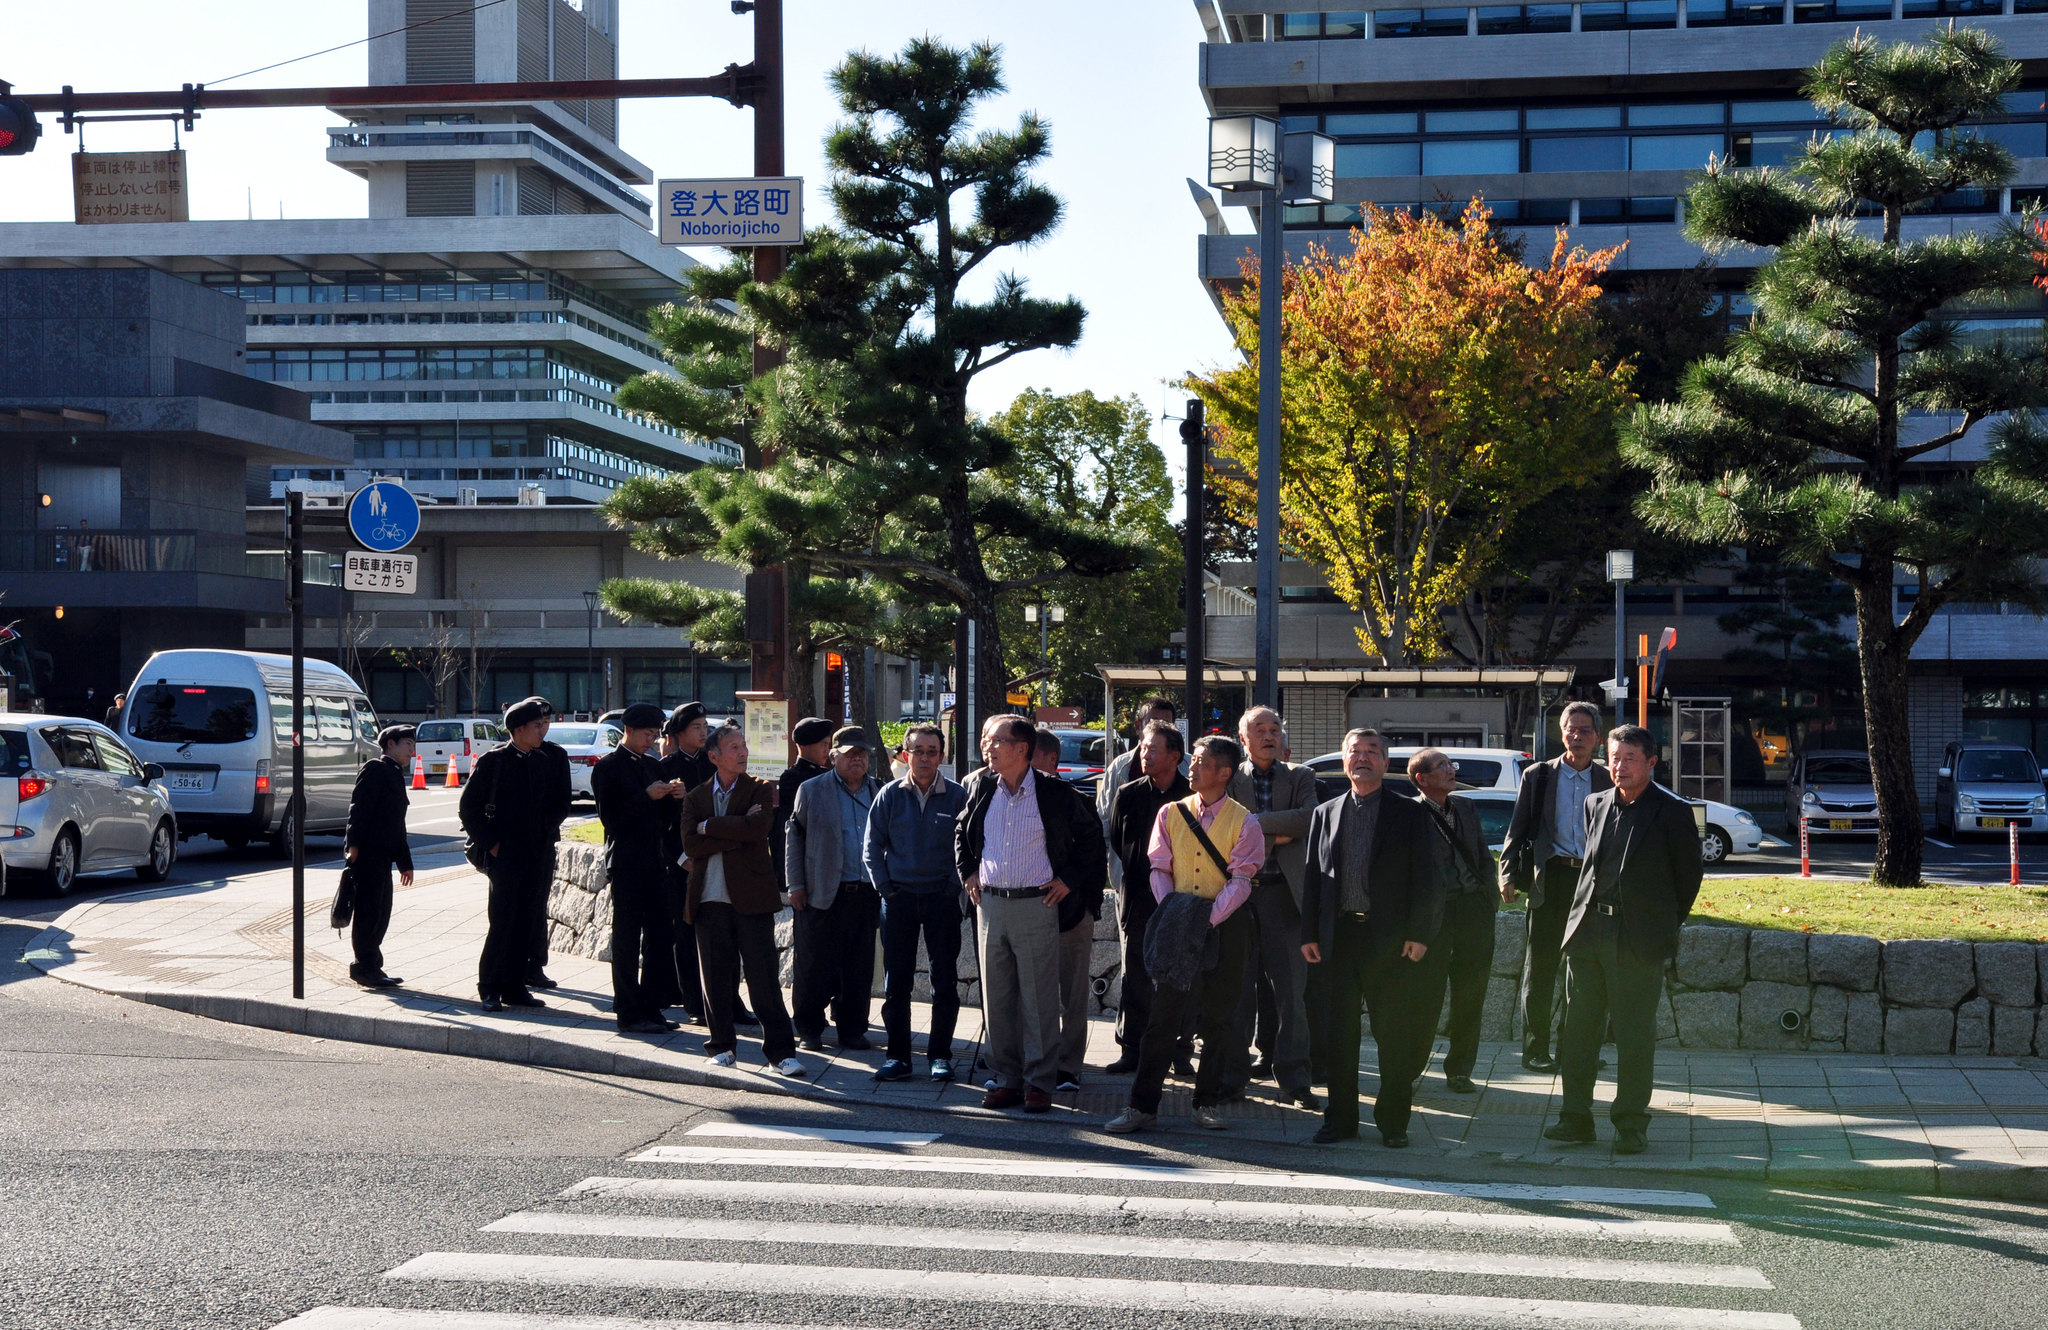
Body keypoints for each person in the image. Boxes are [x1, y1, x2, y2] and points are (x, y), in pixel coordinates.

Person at [1544, 725, 1703, 1155]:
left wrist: (1659, 927)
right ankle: (1575, 1118)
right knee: (1577, 1033)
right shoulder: (1595, 803)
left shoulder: (1672, 812)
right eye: (1613, 757)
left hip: (1637, 940)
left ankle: (1631, 1124)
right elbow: (1589, 869)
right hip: (1589, 933)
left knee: (1634, 1036)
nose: (1619, 766)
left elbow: (1687, 881)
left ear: (1652, 762)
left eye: (1630, 757)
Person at [1105, 735, 1266, 1135]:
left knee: (1220, 1020)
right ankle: (1141, 1106)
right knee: (1163, 1019)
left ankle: (1206, 1101)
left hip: (1225, 928)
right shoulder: (1171, 813)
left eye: (1201, 762)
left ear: (1224, 773)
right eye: (1192, 760)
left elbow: (1242, 880)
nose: (1191, 767)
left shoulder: (1245, 821)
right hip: (1178, 924)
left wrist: (1207, 918)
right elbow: (1158, 867)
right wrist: (1172, 909)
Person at [955, 714, 1106, 1112]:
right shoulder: (983, 786)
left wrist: (1068, 880)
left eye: (995, 740)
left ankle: (1040, 1082)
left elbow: (1091, 836)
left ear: (1022, 749)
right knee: (997, 997)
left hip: (1038, 904)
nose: (987, 746)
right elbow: (961, 832)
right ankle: (1006, 1078)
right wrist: (968, 872)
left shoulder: (1054, 791)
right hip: (991, 905)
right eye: (986, 739)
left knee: (1038, 998)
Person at [1299, 728, 1442, 1148]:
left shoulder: (1411, 813)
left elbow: (1428, 880)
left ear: (1385, 762)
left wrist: (1419, 934)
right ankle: (1340, 1119)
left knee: (1393, 1035)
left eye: (1372, 752)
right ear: (1343, 760)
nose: (1362, 758)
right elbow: (1312, 878)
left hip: (1391, 940)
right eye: (1354, 752)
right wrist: (1310, 931)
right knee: (1337, 1036)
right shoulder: (1325, 812)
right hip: (1338, 937)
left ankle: (1393, 1122)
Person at [683, 723, 806, 1077]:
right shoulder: (696, 797)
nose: (742, 753)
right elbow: (691, 845)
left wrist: (710, 826)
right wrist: (730, 828)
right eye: (733, 747)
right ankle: (721, 1046)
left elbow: (757, 831)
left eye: (743, 746)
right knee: (716, 980)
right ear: (714, 756)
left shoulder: (759, 790)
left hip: (751, 900)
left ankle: (781, 1053)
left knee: (763, 979)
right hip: (708, 899)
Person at [1500, 701, 1613, 1072]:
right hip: (1550, 880)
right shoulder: (1539, 775)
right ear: (1560, 732)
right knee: (1542, 968)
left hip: (1592, 883)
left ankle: (1578, 1050)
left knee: (1587, 972)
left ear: (1597, 736)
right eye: (1570, 729)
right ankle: (1535, 1049)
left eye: (1584, 730)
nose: (1576, 736)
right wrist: (1506, 874)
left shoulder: (1608, 778)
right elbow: (1517, 829)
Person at [1225, 705, 1323, 1111]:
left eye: (1275, 728)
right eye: (1259, 729)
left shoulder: (1301, 776)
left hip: (1285, 895)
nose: (1269, 735)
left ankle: (1295, 1078)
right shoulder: (1229, 777)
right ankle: (1232, 1076)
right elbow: (1223, 827)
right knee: (1237, 993)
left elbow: (1309, 818)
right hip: (1240, 895)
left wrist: (1253, 827)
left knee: (1291, 995)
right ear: (1243, 739)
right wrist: (1274, 833)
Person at [866, 722, 969, 1082]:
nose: (925, 758)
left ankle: (940, 1054)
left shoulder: (958, 797)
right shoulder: (889, 795)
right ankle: (898, 1057)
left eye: (932, 751)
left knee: (945, 981)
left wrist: (951, 888)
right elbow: (872, 848)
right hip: (899, 900)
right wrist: (886, 889)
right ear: (906, 755)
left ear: (942, 756)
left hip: (942, 899)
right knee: (897, 984)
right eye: (918, 751)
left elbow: (968, 849)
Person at [462, 696, 572, 1012]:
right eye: (538, 725)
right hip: (505, 854)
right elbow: (469, 808)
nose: (544, 730)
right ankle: (490, 988)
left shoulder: (546, 760)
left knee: (528, 918)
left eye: (545, 724)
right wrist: (492, 844)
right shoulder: (494, 761)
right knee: (503, 921)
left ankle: (515, 986)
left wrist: (541, 833)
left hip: (538, 851)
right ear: (519, 729)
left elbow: (561, 803)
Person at [786, 725, 884, 1052]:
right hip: (822, 892)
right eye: (850, 753)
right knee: (814, 964)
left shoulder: (880, 791)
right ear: (833, 756)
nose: (857, 759)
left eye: (862, 754)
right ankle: (809, 1028)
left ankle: (852, 1029)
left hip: (866, 892)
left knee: (858, 967)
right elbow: (794, 837)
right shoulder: (812, 789)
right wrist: (796, 885)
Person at [1408, 748, 1499, 1095]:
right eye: (1442, 766)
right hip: (1435, 916)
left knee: (1470, 994)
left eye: (1451, 765)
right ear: (1422, 778)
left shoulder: (1465, 806)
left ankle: (1460, 1069)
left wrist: (1488, 897)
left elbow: (1481, 855)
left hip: (1474, 911)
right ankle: (1412, 1065)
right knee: (1426, 994)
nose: (1451, 770)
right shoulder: (1411, 813)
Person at [1103, 721, 1191, 1075]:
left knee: (1178, 977)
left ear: (1175, 756)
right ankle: (1131, 1049)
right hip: (1138, 895)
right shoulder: (1129, 794)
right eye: (1142, 747)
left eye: (1153, 749)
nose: (1145, 754)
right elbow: (1117, 839)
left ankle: (1179, 1052)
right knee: (1135, 974)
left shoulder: (1191, 796)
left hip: (1181, 900)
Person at [592, 703, 686, 1034]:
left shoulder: (653, 766)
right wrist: (646, 796)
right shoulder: (607, 767)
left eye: (655, 735)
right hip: (627, 862)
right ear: (629, 731)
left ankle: (652, 1005)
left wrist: (676, 798)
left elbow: (668, 821)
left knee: (662, 935)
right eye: (646, 735)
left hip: (658, 862)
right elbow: (611, 819)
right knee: (628, 938)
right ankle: (628, 1009)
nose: (651, 741)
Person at [1035, 727, 1104, 1089]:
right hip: (1028, 913)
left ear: (1050, 760)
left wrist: (1081, 896)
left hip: (1073, 912)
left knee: (1072, 995)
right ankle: (1029, 1061)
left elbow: (1094, 852)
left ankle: (1069, 1066)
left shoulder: (1074, 798)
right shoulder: (1004, 797)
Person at [651, 703, 714, 1024]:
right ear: (678, 734)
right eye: (695, 728)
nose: (703, 733)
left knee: (720, 933)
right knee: (685, 933)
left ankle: (725, 1000)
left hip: (715, 860)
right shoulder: (665, 768)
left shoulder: (715, 763)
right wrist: (681, 858)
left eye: (705, 726)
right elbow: (662, 825)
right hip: (681, 865)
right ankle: (693, 1002)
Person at [342, 724, 417, 989]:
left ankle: (373, 965)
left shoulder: (395, 774)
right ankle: (364, 967)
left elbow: (398, 825)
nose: (412, 750)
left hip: (384, 856)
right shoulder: (376, 768)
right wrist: (353, 846)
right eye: (407, 744)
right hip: (368, 854)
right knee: (369, 913)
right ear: (391, 744)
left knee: (381, 913)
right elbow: (359, 809)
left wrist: (404, 863)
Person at [1096, 695, 1184, 897]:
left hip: (1179, 883)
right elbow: (1107, 824)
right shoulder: (1120, 768)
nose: (1160, 727)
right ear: (1138, 726)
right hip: (1131, 883)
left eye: (1167, 723)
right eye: (1153, 722)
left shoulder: (1188, 767)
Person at [773, 716, 835, 890]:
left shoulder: (827, 774)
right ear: (805, 745)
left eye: (828, 744)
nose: (827, 750)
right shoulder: (792, 778)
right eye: (823, 744)